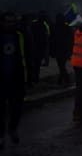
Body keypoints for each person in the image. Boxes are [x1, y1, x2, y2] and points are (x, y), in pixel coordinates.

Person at [0, 12, 29, 148]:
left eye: (12, 22)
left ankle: (12, 128)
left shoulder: (20, 36)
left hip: (17, 77)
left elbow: (28, 55)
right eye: (7, 21)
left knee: (17, 106)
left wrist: (30, 76)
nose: (10, 24)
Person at [50, 13, 74, 85]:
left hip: (61, 49)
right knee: (61, 66)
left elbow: (52, 40)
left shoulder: (55, 27)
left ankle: (65, 80)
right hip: (63, 49)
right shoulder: (66, 27)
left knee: (61, 66)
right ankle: (62, 80)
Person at [30, 10, 51, 83]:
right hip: (37, 46)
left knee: (35, 64)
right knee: (36, 65)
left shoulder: (36, 24)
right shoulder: (42, 24)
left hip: (38, 46)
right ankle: (34, 78)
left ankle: (34, 78)